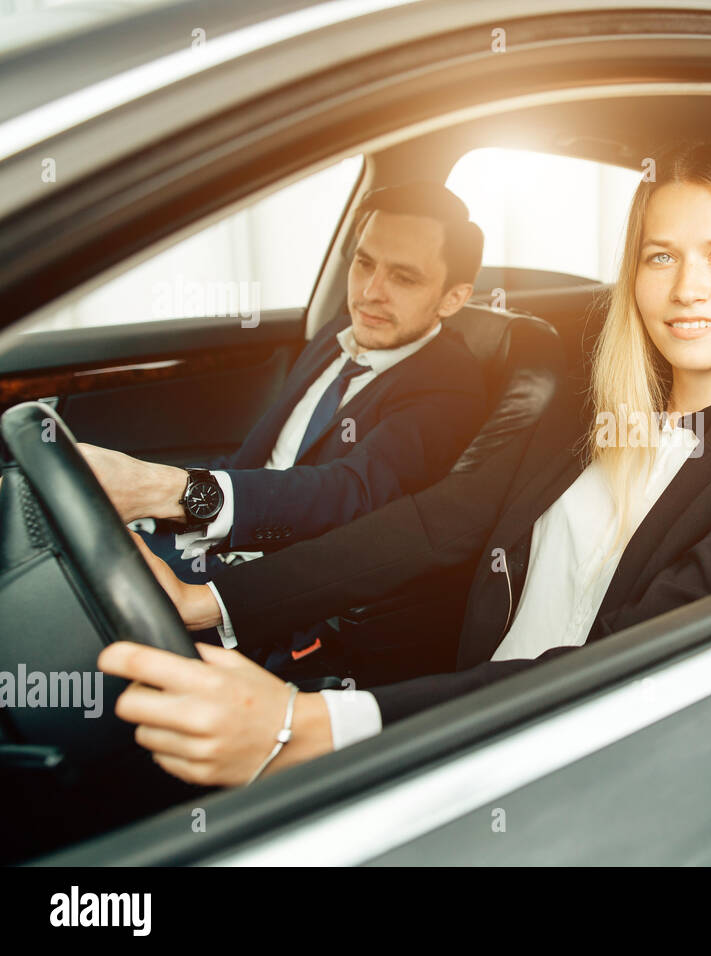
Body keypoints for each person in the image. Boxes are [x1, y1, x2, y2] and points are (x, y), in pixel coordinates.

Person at [98, 142, 711, 787]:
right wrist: (219, 601)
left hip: (572, 760)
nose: (688, 288)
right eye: (660, 256)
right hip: (462, 712)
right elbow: (440, 522)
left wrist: (315, 724)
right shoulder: (595, 399)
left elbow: (621, 665)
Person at [80, 182, 489, 662]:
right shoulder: (338, 336)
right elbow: (251, 460)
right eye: (364, 263)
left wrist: (169, 489)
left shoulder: (451, 387)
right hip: (209, 545)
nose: (369, 293)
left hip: (275, 598)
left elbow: (350, 493)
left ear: (452, 298)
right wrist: (156, 515)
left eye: (403, 277)